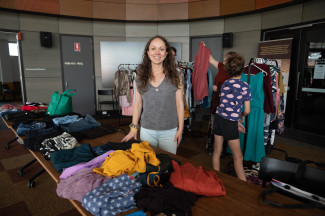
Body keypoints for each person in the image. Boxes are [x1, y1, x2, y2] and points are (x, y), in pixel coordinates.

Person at [121, 35, 184, 154]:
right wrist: (133, 128)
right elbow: (138, 104)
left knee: (167, 165)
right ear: (148, 52)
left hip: (169, 131)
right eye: (153, 48)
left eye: (161, 49)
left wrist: (180, 129)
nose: (157, 52)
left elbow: (180, 103)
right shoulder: (139, 76)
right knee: (149, 165)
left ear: (166, 53)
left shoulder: (177, 75)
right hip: (147, 130)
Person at [211, 52, 251, 181]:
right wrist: (241, 116)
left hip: (218, 119)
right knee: (238, 157)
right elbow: (247, 111)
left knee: (217, 152)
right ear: (243, 68)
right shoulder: (245, 86)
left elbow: (226, 106)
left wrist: (236, 122)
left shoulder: (226, 83)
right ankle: (243, 184)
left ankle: (216, 179)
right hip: (229, 123)